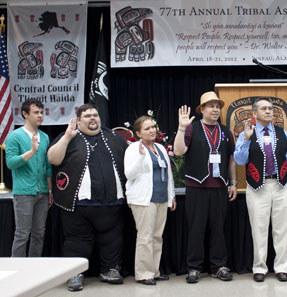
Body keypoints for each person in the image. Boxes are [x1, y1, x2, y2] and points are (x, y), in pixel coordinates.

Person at [47, 104, 128, 291]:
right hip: (78, 206)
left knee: (112, 239)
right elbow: (53, 159)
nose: (93, 119)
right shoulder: (69, 136)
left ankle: (110, 269)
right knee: (77, 242)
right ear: (78, 120)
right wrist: (67, 137)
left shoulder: (113, 137)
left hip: (112, 204)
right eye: (87, 116)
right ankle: (74, 274)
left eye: (95, 115)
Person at [173, 91, 237, 284]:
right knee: (196, 229)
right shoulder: (192, 128)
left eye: (217, 106)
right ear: (202, 110)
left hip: (219, 187)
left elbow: (232, 159)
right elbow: (178, 151)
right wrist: (181, 128)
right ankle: (194, 267)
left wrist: (233, 183)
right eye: (211, 106)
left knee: (218, 229)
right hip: (197, 188)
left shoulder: (226, 131)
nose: (215, 109)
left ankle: (219, 266)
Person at [234, 98, 287, 282]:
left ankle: (281, 267)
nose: (269, 111)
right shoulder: (246, 133)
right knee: (259, 229)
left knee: (282, 229)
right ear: (254, 114)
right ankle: (259, 268)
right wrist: (246, 139)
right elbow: (240, 160)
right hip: (257, 188)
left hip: (280, 186)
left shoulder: (281, 133)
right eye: (264, 108)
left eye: (271, 108)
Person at [125, 116, 176, 285]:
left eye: (153, 127)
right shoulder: (133, 148)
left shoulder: (160, 148)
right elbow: (129, 175)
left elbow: (168, 175)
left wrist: (171, 196)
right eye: (147, 129)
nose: (152, 130)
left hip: (161, 197)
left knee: (157, 237)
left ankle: (154, 271)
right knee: (145, 237)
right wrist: (140, 157)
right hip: (143, 199)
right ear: (138, 133)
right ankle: (143, 273)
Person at [5, 99, 52, 257]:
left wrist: (50, 189)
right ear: (25, 114)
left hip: (43, 193)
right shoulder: (15, 137)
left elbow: (47, 165)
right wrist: (31, 151)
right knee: (22, 234)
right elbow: (11, 163)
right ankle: (17, 270)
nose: (40, 115)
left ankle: (34, 269)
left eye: (41, 112)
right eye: (36, 112)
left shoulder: (44, 137)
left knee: (39, 234)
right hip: (24, 192)